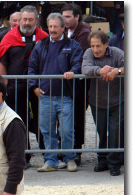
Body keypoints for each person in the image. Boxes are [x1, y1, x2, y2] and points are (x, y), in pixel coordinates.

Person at [0, 5, 48, 168]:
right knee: (17, 122)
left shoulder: (44, 37)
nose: (28, 23)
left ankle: (48, 156)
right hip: (15, 88)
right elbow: (1, 60)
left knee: (41, 120)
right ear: (20, 20)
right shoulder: (9, 37)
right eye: (25, 19)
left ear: (37, 20)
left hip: (38, 88)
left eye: (31, 20)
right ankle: (22, 157)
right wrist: (4, 83)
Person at [28, 13, 83, 173]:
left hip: (65, 96)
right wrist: (34, 87)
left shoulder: (73, 45)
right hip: (45, 96)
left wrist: (72, 71)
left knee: (67, 130)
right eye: (50, 26)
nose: (52, 30)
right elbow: (32, 68)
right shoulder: (40, 45)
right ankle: (50, 161)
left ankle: (69, 159)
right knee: (47, 131)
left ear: (63, 27)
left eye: (55, 27)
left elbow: (77, 63)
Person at [82, 31, 124, 176]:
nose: (95, 49)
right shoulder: (88, 53)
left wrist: (117, 71)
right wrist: (100, 70)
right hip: (97, 102)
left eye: (98, 46)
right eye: (93, 46)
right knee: (101, 132)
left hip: (117, 101)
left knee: (115, 132)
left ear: (106, 44)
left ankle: (114, 163)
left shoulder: (117, 53)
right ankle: (102, 160)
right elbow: (85, 68)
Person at [61, 3, 92, 164]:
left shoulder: (84, 32)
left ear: (77, 17)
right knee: (65, 116)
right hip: (65, 81)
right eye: (63, 16)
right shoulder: (64, 30)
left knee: (78, 116)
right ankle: (64, 149)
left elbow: (79, 56)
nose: (65, 19)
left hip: (79, 83)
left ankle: (77, 150)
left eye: (68, 16)